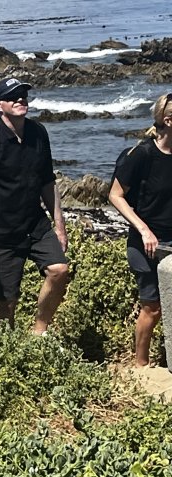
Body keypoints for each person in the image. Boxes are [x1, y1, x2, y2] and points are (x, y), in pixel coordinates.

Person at [0, 76, 69, 334]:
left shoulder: (38, 133)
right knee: (6, 304)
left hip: (35, 224)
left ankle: (39, 333)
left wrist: (59, 226)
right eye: (13, 96)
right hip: (1, 233)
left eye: (23, 94)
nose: (20, 99)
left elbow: (48, 181)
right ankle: (7, 351)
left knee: (59, 270)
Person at [108, 92, 172, 367]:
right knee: (153, 308)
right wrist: (144, 229)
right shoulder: (142, 154)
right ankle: (141, 365)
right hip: (144, 242)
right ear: (168, 121)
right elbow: (115, 195)